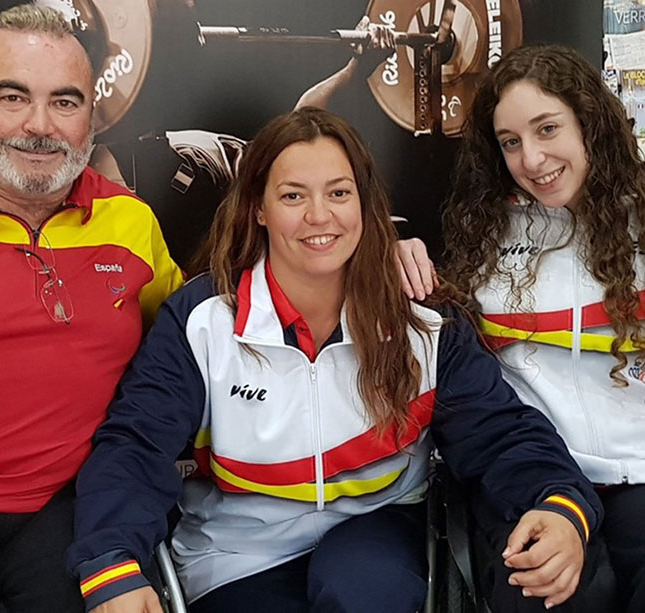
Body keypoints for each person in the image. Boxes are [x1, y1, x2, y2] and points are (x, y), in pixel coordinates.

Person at [68, 107, 602, 613]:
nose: (319, 216)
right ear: (258, 206)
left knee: (362, 589)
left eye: (339, 193)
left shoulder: (422, 318)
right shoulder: (203, 319)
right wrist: (114, 563)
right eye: (293, 195)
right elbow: (136, 443)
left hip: (376, 528)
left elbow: (501, 434)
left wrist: (557, 504)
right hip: (236, 553)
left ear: (365, 204)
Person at [0, 4, 182, 612]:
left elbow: (204, 336)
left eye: (65, 102)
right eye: (13, 96)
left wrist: (365, 252)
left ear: (92, 116)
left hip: (69, 511)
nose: (40, 125)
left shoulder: (129, 220)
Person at [395, 44, 645, 612]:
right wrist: (391, 255)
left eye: (548, 128)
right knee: (556, 596)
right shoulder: (484, 235)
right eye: (511, 142)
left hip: (639, 476)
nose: (532, 159)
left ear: (590, 123)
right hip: (529, 482)